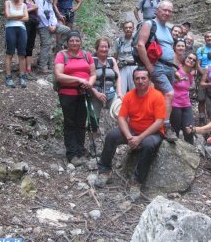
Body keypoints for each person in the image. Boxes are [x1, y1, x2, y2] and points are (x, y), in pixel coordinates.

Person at [94, 68, 165, 202]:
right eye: (137, 78)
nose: (140, 81)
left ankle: (137, 182)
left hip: (152, 132)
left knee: (148, 145)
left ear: (149, 79)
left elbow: (159, 122)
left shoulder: (157, 96)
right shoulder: (129, 96)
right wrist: (129, 137)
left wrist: (139, 138)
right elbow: (121, 118)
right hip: (132, 131)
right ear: (133, 80)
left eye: (143, 78)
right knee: (111, 136)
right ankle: (104, 171)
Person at [137, 0, 177, 142]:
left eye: (169, 11)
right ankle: (166, 126)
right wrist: (149, 66)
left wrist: (174, 68)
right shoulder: (149, 24)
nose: (167, 13)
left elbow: (171, 50)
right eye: (164, 10)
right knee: (169, 93)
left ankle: (155, 125)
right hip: (157, 66)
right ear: (157, 10)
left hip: (168, 67)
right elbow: (140, 45)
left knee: (161, 97)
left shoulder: (167, 29)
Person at [54, 31, 96, 166]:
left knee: (81, 122)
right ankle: (72, 154)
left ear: (81, 42)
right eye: (71, 40)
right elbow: (59, 75)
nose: (74, 43)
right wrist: (78, 79)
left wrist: (89, 83)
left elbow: (93, 73)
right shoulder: (62, 55)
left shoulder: (86, 55)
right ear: (67, 42)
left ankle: (80, 149)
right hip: (67, 93)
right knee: (70, 122)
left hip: (83, 93)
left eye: (77, 40)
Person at [90, 37, 123, 136]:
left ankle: (121, 136)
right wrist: (95, 93)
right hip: (96, 95)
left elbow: (118, 77)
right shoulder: (92, 60)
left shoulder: (111, 60)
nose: (104, 49)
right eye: (101, 47)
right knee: (93, 120)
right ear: (96, 48)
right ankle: (94, 140)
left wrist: (120, 92)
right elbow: (87, 80)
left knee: (122, 112)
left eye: (106, 47)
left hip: (111, 94)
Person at [36, 0, 70, 74]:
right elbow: (40, 14)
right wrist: (48, 25)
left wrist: (54, 25)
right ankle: (42, 67)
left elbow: (52, 15)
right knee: (46, 45)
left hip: (52, 25)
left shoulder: (50, 2)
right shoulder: (40, 0)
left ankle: (58, 46)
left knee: (67, 30)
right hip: (43, 26)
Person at [4, 0, 28, 88]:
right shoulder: (8, 2)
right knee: (9, 53)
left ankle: (22, 76)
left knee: (22, 54)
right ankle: (8, 77)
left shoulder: (24, 5)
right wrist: (21, 15)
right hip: (10, 28)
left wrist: (14, 16)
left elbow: (26, 18)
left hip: (22, 29)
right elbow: (7, 16)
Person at [171, 52, 197, 144]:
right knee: (175, 130)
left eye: (194, 60)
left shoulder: (190, 76)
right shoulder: (176, 72)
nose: (191, 60)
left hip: (186, 104)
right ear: (185, 58)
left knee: (189, 129)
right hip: (175, 104)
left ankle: (191, 154)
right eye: (189, 58)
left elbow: (188, 89)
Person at [196, 31, 211, 125]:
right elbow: (198, 65)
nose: (209, 38)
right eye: (207, 37)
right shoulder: (201, 50)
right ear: (205, 38)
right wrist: (205, 77)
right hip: (202, 76)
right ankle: (201, 119)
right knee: (201, 99)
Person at [113, 21, 137, 95]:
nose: (128, 29)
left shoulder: (136, 40)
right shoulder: (118, 41)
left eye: (130, 27)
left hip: (134, 67)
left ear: (133, 29)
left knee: (135, 90)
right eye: (126, 28)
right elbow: (115, 56)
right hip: (122, 67)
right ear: (123, 29)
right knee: (120, 90)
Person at [22, 0, 39, 80]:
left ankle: (28, 70)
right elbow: (20, 11)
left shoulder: (33, 1)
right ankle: (22, 70)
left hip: (33, 25)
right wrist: (33, 8)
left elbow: (36, 13)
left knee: (30, 46)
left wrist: (35, 8)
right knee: (24, 45)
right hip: (25, 24)